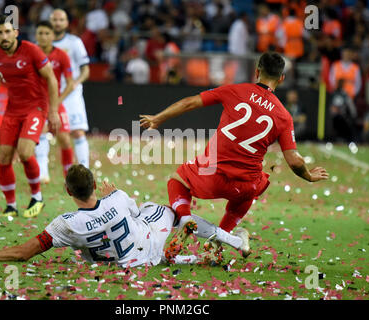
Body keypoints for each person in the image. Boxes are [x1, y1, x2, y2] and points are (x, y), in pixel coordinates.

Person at [140, 52, 329, 260]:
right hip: (244, 184)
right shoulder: (284, 116)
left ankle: (185, 218)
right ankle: (216, 242)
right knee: (252, 190)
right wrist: (309, 176)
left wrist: (158, 119)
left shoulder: (236, 90)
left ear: (257, 71)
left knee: (178, 180)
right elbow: (293, 160)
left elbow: (189, 103)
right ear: (281, 78)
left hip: (212, 174)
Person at [0, 164, 246, 266]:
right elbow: (133, 214)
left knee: (142, 221)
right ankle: (218, 241)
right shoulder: (119, 197)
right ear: (95, 185)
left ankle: (185, 256)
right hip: (146, 243)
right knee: (167, 211)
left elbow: (26, 252)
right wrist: (114, 195)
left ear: (67, 190)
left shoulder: (66, 224)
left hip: (124, 263)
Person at [0, 14, 61, 218]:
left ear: (16, 32)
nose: (4, 36)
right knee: (4, 157)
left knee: (25, 152)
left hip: (36, 108)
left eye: (7, 32)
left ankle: (37, 197)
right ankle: (11, 206)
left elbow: (51, 78)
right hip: (12, 110)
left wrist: (53, 110)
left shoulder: (31, 50)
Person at [46, 9, 91, 177]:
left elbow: (85, 70)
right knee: (46, 132)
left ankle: (85, 170)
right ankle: (43, 173)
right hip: (49, 94)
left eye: (61, 20)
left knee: (78, 131)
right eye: (54, 19)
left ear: (66, 23)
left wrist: (75, 84)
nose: (57, 23)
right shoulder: (42, 42)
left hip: (71, 94)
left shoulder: (74, 42)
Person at [34, 21, 74, 179]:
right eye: (40, 33)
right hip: (35, 103)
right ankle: (43, 173)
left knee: (64, 138)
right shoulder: (31, 53)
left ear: (52, 36)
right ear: (36, 35)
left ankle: (69, 177)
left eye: (46, 33)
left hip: (55, 102)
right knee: (41, 133)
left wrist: (57, 103)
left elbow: (70, 84)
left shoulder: (61, 55)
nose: (43, 37)